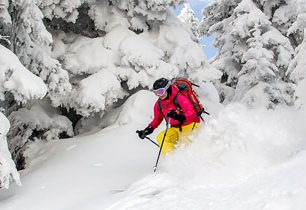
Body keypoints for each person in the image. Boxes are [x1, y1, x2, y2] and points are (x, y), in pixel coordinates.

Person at [137, 78, 201, 154]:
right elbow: (157, 119)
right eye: (156, 93)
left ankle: (186, 161)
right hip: (175, 128)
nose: (159, 95)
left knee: (184, 146)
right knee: (161, 138)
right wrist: (147, 130)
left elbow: (192, 112)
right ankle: (172, 159)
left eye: (161, 91)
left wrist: (179, 116)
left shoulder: (179, 97)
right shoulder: (159, 104)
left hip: (190, 125)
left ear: (167, 88)